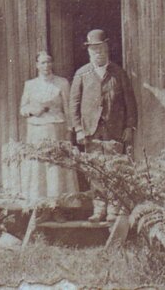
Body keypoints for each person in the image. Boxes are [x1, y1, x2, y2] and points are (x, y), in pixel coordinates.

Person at [69, 29, 137, 222]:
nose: (98, 53)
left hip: (114, 130)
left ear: (107, 50)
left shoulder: (118, 73)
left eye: (101, 49)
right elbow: (73, 104)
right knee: (95, 170)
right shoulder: (82, 74)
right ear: (89, 52)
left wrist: (129, 127)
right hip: (91, 131)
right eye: (94, 50)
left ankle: (114, 210)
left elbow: (130, 102)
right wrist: (79, 129)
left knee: (114, 170)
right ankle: (99, 209)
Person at [19, 51, 76, 215]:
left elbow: (68, 108)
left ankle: (58, 207)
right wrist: (33, 110)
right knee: (40, 166)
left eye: (49, 62)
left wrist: (70, 130)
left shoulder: (62, 83)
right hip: (36, 130)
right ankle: (40, 206)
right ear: (37, 65)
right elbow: (22, 108)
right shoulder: (30, 84)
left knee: (56, 166)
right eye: (42, 63)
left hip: (56, 129)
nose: (46, 66)